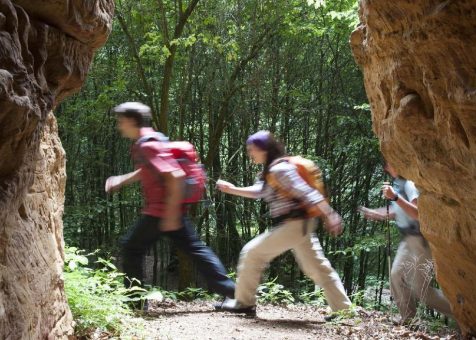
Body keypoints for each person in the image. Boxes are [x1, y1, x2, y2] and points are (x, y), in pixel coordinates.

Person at [105, 102, 235, 303]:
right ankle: (234, 293)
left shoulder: (146, 144)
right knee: (196, 250)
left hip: (161, 211)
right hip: (169, 209)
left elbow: (175, 175)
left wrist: (171, 214)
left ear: (131, 121)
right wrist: (123, 179)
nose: (119, 126)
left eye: (121, 122)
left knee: (131, 249)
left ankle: (135, 301)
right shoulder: (154, 139)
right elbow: (151, 169)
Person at [215, 130, 351, 317]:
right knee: (319, 269)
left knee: (252, 253)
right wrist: (232, 189)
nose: (250, 153)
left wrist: (330, 214)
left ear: (264, 150)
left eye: (252, 149)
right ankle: (344, 311)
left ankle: (244, 303)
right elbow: (259, 192)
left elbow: (306, 192)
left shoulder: (280, 169)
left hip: (294, 225)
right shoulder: (273, 169)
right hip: (300, 225)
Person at [359, 161, 452, 324]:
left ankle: (462, 313)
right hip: (407, 240)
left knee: (422, 291)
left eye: (388, 164)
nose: (387, 167)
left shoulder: (409, 183)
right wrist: (376, 213)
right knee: (396, 277)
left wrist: (395, 196)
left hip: (419, 240)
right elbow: (398, 211)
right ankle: (409, 320)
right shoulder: (399, 184)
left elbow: (418, 213)